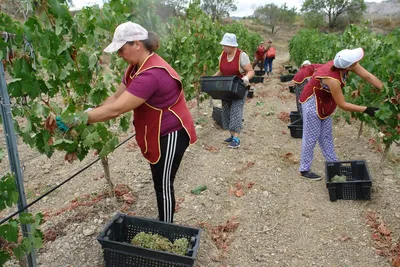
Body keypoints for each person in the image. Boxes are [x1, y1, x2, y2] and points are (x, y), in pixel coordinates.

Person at [57, 22, 197, 223]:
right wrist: (89, 113)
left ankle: (166, 229)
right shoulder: (134, 69)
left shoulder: (151, 74)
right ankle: (164, 221)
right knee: (159, 179)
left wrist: (78, 120)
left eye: (122, 49)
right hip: (155, 131)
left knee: (163, 184)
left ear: (137, 44)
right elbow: (115, 98)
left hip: (172, 133)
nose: (120, 55)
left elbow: (117, 109)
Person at [298, 48, 382, 180]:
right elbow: (343, 104)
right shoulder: (332, 80)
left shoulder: (347, 64)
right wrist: (366, 109)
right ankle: (304, 169)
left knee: (326, 134)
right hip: (312, 102)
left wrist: (384, 90)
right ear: (348, 66)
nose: (358, 62)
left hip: (325, 101)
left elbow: (368, 76)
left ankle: (333, 164)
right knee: (311, 136)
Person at [213, 33, 254, 149]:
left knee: (236, 110)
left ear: (232, 46)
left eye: (226, 45)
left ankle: (236, 138)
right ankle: (231, 136)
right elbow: (221, 71)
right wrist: (211, 79)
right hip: (226, 88)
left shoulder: (241, 55)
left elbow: (250, 71)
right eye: (223, 45)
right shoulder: (222, 55)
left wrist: (246, 78)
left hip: (239, 88)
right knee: (226, 110)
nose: (223, 48)